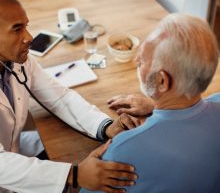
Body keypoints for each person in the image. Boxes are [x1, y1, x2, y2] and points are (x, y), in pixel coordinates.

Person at [0, 0, 138, 192]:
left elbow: (59, 97)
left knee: (72, 152)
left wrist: (105, 126)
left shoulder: (15, 60)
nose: (29, 37)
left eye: (26, 26)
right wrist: (74, 175)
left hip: (11, 150)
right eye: (17, 29)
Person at [81, 13, 220, 193]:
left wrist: (78, 175)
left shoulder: (122, 151)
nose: (136, 60)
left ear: (162, 81)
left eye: (143, 58)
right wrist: (155, 106)